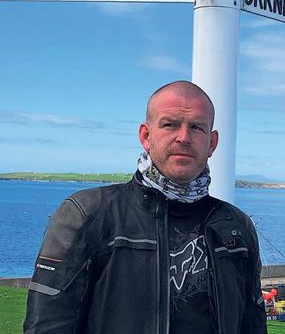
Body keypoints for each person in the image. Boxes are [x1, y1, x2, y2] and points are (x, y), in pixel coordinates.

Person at [23, 81, 267, 334]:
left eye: (196, 127)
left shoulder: (236, 226)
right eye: (170, 124)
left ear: (212, 142)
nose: (183, 137)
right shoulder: (86, 214)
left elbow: (253, 322)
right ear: (146, 136)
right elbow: (48, 324)